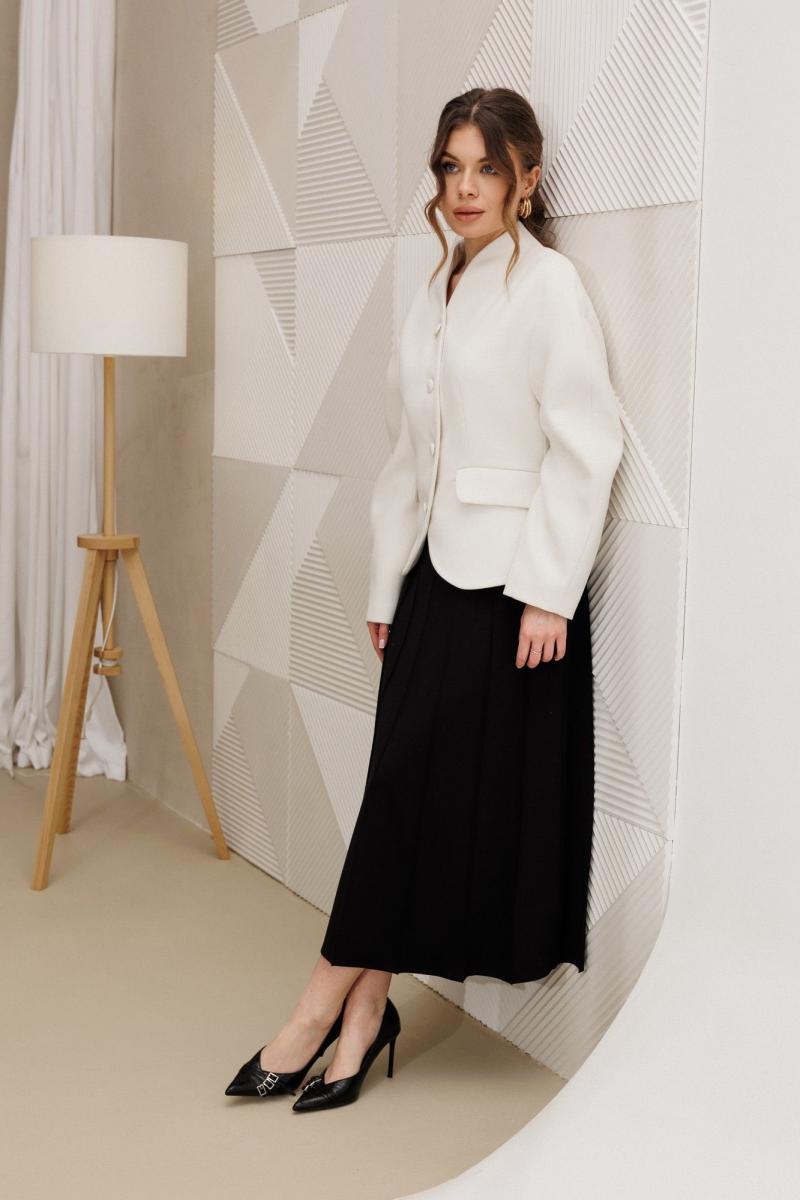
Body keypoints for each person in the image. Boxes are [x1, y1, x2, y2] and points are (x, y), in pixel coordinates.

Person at [225, 87, 624, 1114]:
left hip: (510, 593)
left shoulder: (550, 289)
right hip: (430, 583)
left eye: (485, 168)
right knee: (401, 795)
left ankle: (320, 1008)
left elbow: (586, 446)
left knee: (411, 798)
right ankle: (365, 1011)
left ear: (526, 178)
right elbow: (409, 451)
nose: (464, 188)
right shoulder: (435, 288)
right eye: (450, 168)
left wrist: (548, 593)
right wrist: (384, 581)